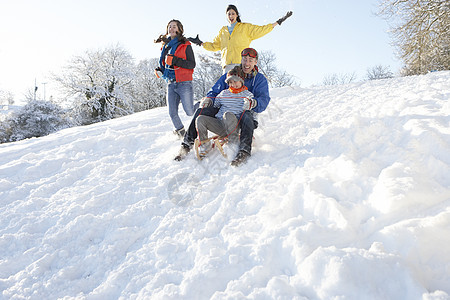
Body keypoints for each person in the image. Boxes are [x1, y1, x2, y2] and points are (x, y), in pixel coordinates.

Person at [175, 47, 269, 166]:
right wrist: (210, 98)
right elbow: (216, 90)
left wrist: (254, 103)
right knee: (201, 111)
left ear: (255, 62)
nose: (247, 63)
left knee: (246, 114)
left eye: (251, 60)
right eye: (245, 59)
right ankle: (186, 145)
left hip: (244, 115)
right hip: (225, 114)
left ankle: (244, 151)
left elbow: (263, 100)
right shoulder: (232, 73)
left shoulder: (259, 80)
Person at [188, 5, 292, 73]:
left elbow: (261, 30)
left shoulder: (245, 27)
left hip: (241, 64)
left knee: (240, 90)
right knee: (228, 91)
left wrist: (277, 22)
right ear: (226, 16)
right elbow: (215, 45)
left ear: (237, 15)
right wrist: (200, 43)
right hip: (227, 65)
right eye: (229, 14)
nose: (231, 15)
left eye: (233, 13)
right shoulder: (223, 31)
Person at [196, 65, 254, 159]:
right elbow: (215, 106)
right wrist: (208, 101)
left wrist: (249, 104)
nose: (233, 84)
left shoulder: (247, 94)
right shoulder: (223, 93)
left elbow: (251, 112)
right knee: (200, 119)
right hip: (220, 125)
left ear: (241, 81)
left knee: (228, 114)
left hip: (234, 126)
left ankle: (233, 143)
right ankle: (205, 145)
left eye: (235, 81)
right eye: (230, 82)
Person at [155, 19, 196, 138]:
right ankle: (182, 134)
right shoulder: (165, 47)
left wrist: (175, 60)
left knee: (190, 111)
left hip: (184, 83)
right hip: (170, 83)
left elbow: (191, 64)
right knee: (172, 113)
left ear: (179, 29)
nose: (171, 29)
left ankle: (204, 104)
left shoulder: (185, 45)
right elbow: (166, 65)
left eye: (174, 27)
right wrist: (159, 71)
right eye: (169, 27)